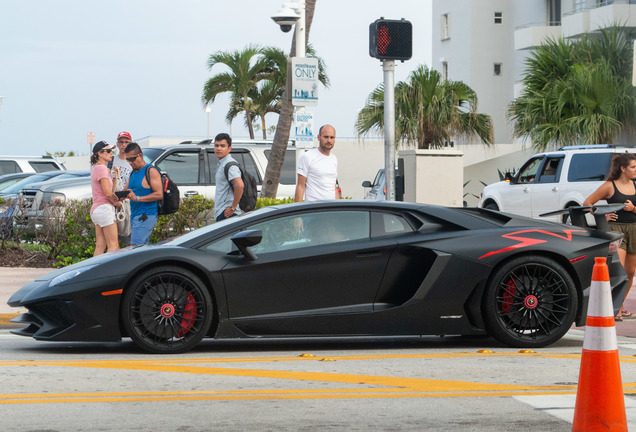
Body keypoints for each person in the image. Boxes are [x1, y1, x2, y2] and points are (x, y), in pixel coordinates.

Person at [584, 152, 636, 321]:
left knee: (630, 271)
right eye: (633, 167)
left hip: (634, 229)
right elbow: (587, 203)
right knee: (618, 270)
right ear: (623, 168)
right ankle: (614, 307)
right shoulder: (609, 186)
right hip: (616, 231)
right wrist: (601, 216)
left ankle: (620, 305)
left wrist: (633, 209)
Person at [124, 142, 163, 245]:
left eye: (132, 159)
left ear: (140, 155)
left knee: (135, 247)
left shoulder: (151, 171)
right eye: (128, 160)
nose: (130, 163)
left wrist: (137, 198)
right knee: (142, 248)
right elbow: (125, 191)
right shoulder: (133, 172)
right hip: (135, 215)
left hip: (146, 214)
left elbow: (159, 194)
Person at [295, 124, 340, 202]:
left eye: (332, 137)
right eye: (326, 137)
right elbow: (300, 186)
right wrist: (296, 212)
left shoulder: (334, 159)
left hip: (332, 209)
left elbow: (334, 187)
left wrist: (339, 208)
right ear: (319, 137)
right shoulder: (307, 156)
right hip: (314, 209)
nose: (329, 140)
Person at [89, 141, 120, 256]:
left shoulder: (96, 168)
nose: (111, 153)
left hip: (97, 209)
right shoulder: (102, 168)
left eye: (111, 150)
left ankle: (94, 272)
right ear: (100, 154)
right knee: (113, 245)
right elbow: (107, 194)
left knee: (100, 246)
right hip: (105, 209)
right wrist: (117, 203)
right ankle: (110, 273)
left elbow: (109, 192)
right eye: (108, 151)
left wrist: (115, 178)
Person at [213, 132, 244, 222]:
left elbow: (239, 185)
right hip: (223, 212)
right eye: (216, 145)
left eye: (222, 146)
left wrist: (233, 208)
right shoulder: (222, 163)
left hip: (228, 214)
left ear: (229, 148)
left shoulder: (230, 165)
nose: (219, 148)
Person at [112, 131, 133, 243]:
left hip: (127, 202)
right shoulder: (111, 160)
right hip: (112, 201)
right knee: (113, 239)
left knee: (126, 235)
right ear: (117, 144)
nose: (124, 145)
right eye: (121, 142)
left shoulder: (133, 161)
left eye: (126, 142)